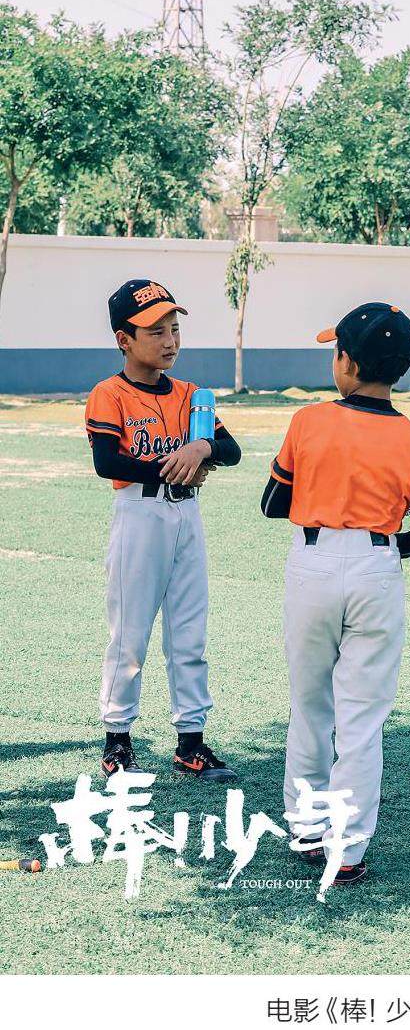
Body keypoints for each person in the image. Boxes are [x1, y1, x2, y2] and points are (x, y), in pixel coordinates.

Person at [261, 302, 410, 886]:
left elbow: (272, 503)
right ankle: (346, 853)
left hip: (313, 560)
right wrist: (383, 546)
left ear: (346, 362)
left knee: (309, 706)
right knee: (362, 720)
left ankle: (305, 829)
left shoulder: (308, 421)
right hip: (377, 567)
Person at [84, 279, 241, 783]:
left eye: (174, 329)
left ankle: (191, 742)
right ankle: (117, 740)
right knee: (129, 635)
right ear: (123, 339)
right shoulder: (109, 394)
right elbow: (108, 461)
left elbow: (231, 450)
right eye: (155, 331)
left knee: (190, 633)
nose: (170, 340)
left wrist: (203, 449)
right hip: (139, 515)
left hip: (186, 515)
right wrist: (177, 464)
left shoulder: (192, 395)